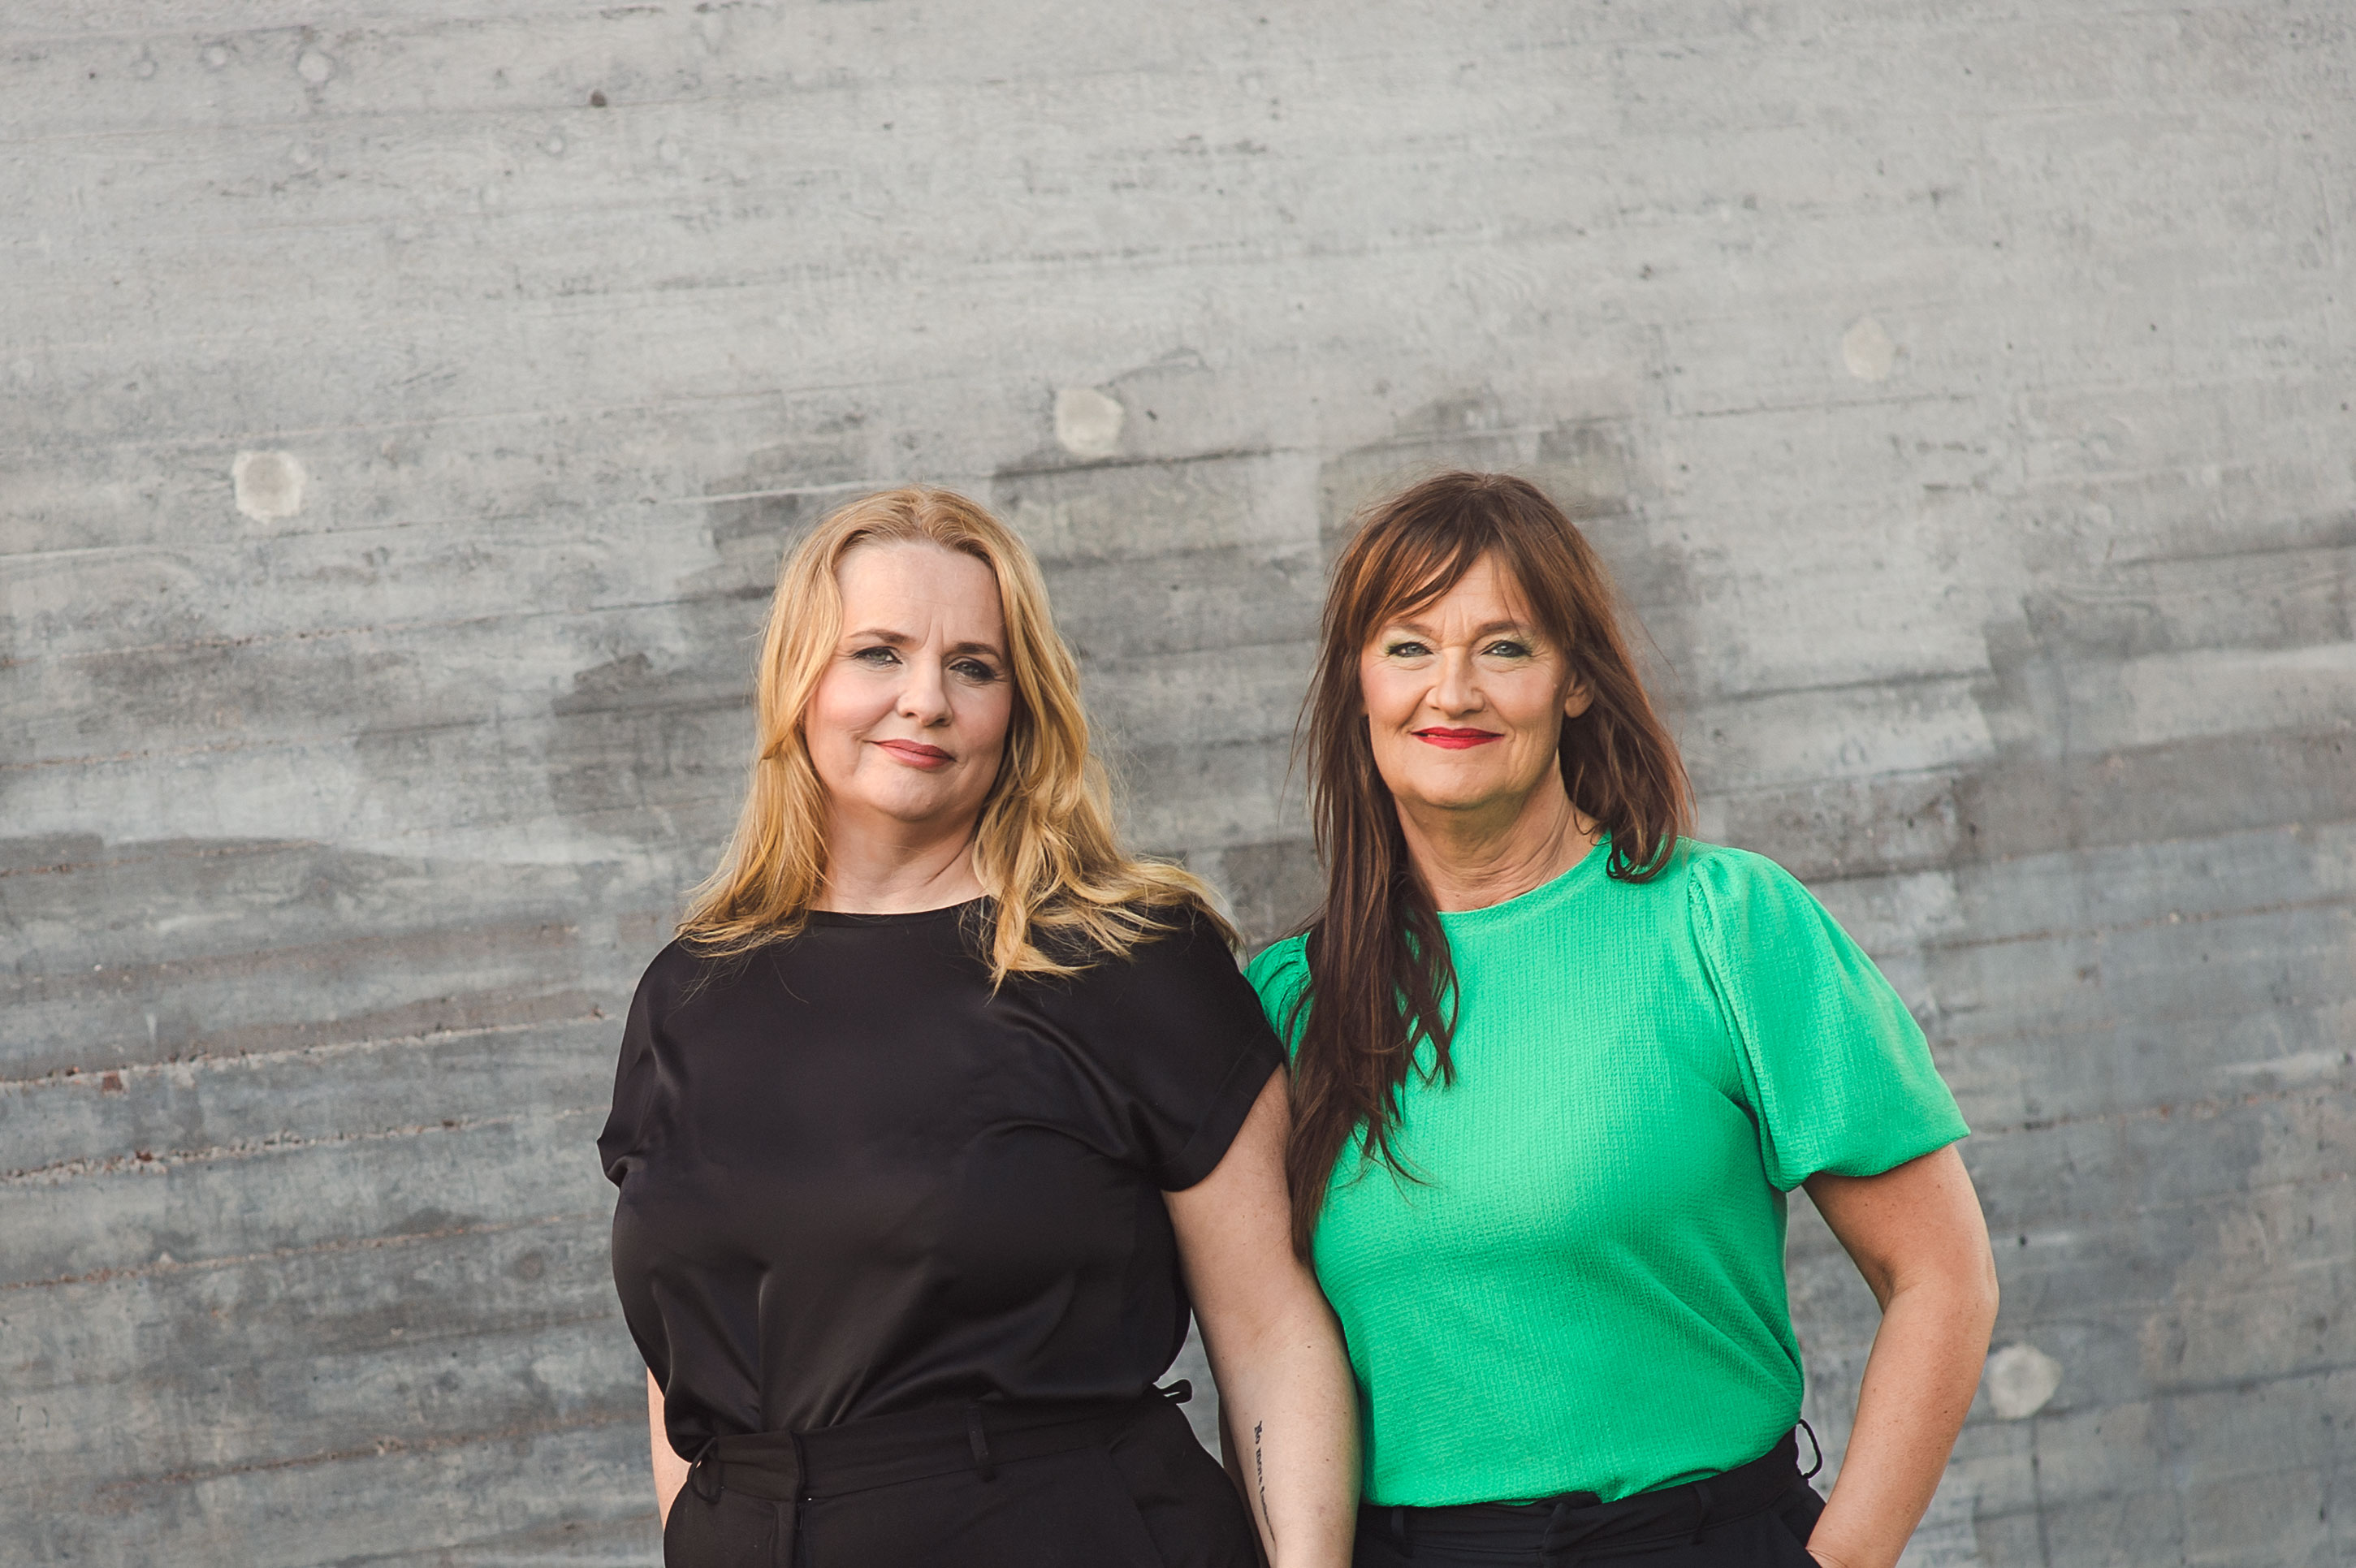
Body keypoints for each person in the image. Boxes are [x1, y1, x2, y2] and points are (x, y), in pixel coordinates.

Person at [1245, 471, 1999, 1568]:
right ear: (1358, 684)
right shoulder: (1290, 1000)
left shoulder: (1725, 926)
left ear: (1575, 683)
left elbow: (1941, 1277)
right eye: (1408, 647)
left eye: (1504, 648)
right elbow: (1265, 1350)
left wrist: (1837, 1566)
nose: (1451, 691)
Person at [598, 486, 1356, 1568]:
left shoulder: (1128, 960)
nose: (926, 701)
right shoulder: (688, 991)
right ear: (800, 681)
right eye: (878, 654)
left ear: (1020, 707)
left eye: (974, 667)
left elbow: (1270, 1331)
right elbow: (682, 1370)